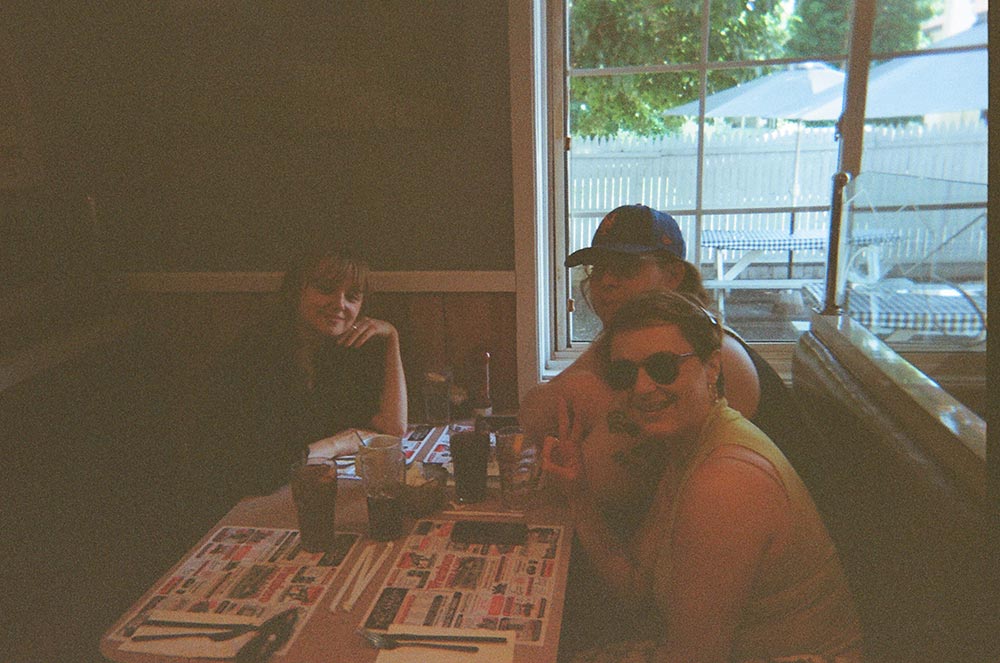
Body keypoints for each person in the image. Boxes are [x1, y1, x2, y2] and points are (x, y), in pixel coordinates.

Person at [543, 291, 862, 663]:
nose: (643, 387)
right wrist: (579, 494)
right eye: (625, 373)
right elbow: (634, 587)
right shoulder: (685, 449)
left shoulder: (724, 483)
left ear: (712, 368)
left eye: (663, 366)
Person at [520, 204, 798, 531]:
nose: (606, 281)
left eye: (626, 266)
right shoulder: (631, 336)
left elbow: (611, 480)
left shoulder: (712, 352)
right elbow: (536, 411)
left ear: (672, 276)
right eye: (599, 267)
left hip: (757, 532)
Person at [205, 247, 407, 499]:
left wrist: (392, 338)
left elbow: (392, 428)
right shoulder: (257, 353)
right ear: (295, 291)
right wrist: (336, 444)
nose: (339, 304)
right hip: (229, 503)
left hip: (292, 494)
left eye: (352, 296)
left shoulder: (336, 351)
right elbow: (255, 470)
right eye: (326, 289)